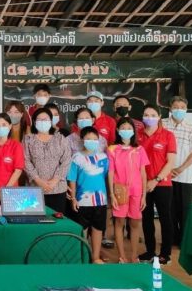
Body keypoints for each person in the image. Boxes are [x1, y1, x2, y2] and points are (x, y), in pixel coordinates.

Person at [138, 104, 177, 264]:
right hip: (142, 184)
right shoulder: (137, 135)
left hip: (162, 184)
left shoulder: (168, 135)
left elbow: (170, 162)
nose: (149, 118)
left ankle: (165, 253)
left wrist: (156, 180)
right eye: (146, 115)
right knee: (146, 219)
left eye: (153, 115)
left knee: (165, 218)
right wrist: (144, 182)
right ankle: (150, 251)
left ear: (160, 116)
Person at [162, 96, 192, 247]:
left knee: (185, 211)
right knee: (169, 209)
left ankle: (184, 241)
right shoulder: (162, 124)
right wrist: (166, 169)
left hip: (185, 176)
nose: (179, 110)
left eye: (182, 108)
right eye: (176, 107)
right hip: (165, 175)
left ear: (186, 109)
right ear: (170, 108)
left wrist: (181, 168)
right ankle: (171, 239)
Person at [108, 118, 149, 263]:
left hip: (136, 191)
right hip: (120, 190)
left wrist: (144, 195)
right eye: (123, 128)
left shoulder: (139, 149)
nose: (126, 131)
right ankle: (122, 256)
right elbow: (111, 172)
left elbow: (143, 173)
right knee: (119, 222)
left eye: (129, 128)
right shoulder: (112, 149)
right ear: (118, 130)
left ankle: (134, 255)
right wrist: (112, 194)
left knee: (135, 223)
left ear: (133, 131)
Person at [67, 126, 110, 264]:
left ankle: (96, 257)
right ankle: (83, 258)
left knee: (98, 229)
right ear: (82, 140)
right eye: (88, 139)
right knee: (83, 229)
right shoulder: (76, 158)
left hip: (100, 201)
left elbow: (106, 176)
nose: (92, 141)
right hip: (82, 201)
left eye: (95, 139)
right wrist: (73, 198)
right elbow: (72, 179)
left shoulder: (104, 157)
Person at [23, 108, 72, 213]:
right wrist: (38, 180)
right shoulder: (28, 139)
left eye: (45, 119)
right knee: (35, 219)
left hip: (57, 188)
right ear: (34, 122)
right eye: (39, 120)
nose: (42, 122)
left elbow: (66, 160)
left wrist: (55, 180)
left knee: (57, 220)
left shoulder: (60, 138)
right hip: (35, 188)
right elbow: (25, 160)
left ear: (51, 121)